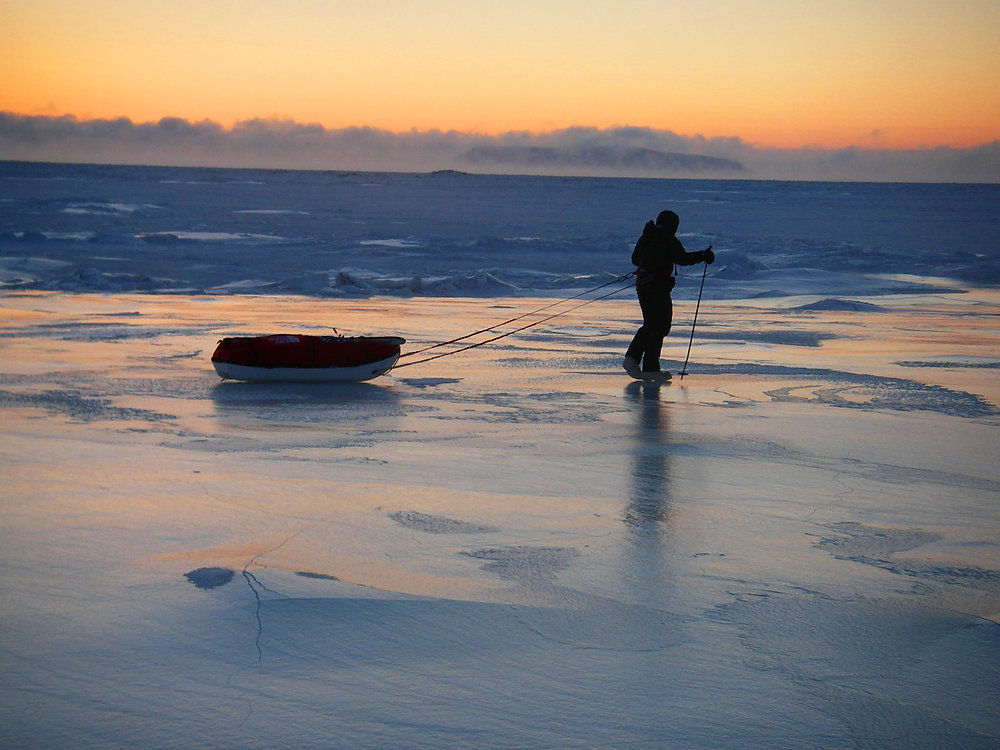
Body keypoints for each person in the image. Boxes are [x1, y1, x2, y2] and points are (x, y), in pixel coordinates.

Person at [624, 210, 714, 378]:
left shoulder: (647, 236)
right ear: (673, 226)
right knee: (658, 325)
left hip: (643, 286)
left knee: (654, 325)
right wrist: (703, 255)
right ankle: (634, 359)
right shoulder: (668, 239)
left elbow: (635, 259)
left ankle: (649, 367)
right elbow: (682, 259)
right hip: (657, 287)